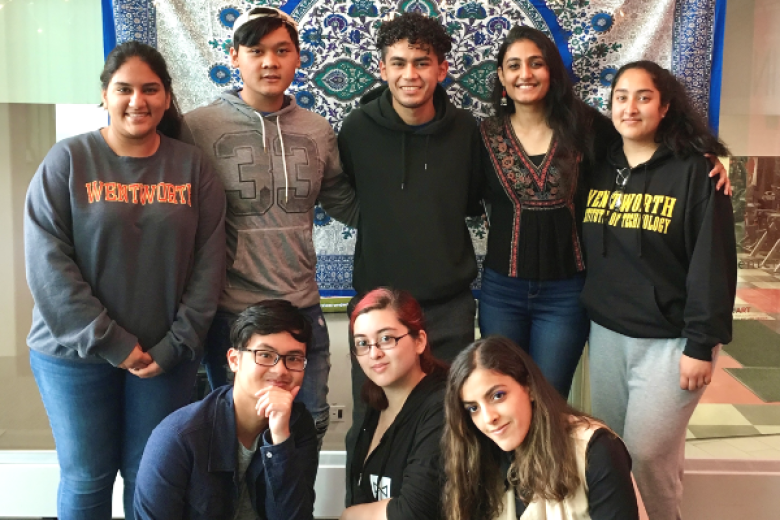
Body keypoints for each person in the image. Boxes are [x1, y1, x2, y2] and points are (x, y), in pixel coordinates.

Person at [24, 41, 226, 519]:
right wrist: (111, 342)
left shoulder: (193, 166)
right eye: (125, 89)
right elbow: (48, 264)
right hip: (72, 355)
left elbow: (210, 263)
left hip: (164, 357)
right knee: (87, 477)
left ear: (167, 97)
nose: (138, 101)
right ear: (105, 95)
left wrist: (176, 345)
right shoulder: (68, 160)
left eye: (151, 89)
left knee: (149, 473)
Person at [478, 26, 731, 398]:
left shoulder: (588, 126)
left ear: (553, 71)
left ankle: (548, 461)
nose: (525, 74)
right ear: (501, 76)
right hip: (502, 290)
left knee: (550, 400)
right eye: (513, 65)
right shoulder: (483, 134)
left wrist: (704, 156)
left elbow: (646, 145)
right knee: (499, 394)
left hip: (567, 293)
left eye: (536, 63)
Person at [181, 6, 359, 442]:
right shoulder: (197, 128)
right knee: (231, 441)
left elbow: (346, 203)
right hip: (231, 313)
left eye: (282, 50)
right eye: (256, 50)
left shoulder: (318, 131)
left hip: (302, 308)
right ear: (234, 56)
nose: (270, 62)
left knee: (304, 432)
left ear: (299, 58)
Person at [580, 61, 737, 520]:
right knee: (617, 455)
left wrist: (701, 343)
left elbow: (713, 265)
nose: (631, 107)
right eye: (621, 97)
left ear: (665, 106)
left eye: (644, 97)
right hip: (607, 334)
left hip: (671, 344)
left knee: (649, 457)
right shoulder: (596, 166)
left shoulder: (696, 173)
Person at [338, 11, 481, 432]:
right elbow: (343, 191)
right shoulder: (356, 129)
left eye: (421, 62)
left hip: (449, 308)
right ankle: (363, 502)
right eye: (398, 63)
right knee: (372, 427)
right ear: (382, 69)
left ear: (442, 67)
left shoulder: (467, 131)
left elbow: (472, 201)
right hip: (377, 309)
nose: (410, 74)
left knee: (451, 432)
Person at [133, 300, 318, 520]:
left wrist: (279, 441)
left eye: (294, 358)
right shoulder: (179, 436)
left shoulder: (298, 425)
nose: (280, 370)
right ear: (234, 360)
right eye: (265, 355)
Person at [443, 337, 641, 520]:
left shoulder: (598, 450)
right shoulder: (480, 456)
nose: (488, 418)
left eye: (498, 396)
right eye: (473, 408)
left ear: (528, 386)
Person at [342, 288, 449, 520]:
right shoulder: (375, 404)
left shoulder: (441, 407)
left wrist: (349, 516)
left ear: (419, 341)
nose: (374, 353)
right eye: (362, 343)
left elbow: (413, 511)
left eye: (386, 339)